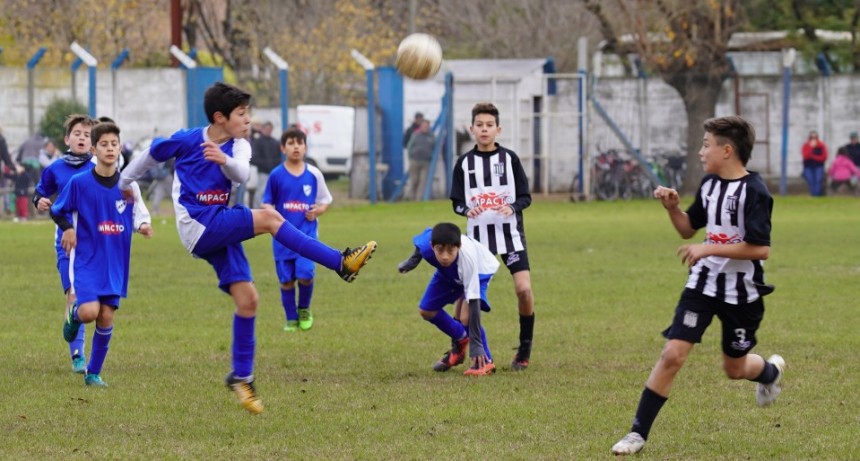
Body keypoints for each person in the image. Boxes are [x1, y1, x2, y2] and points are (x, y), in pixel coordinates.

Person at [119, 81, 377, 414]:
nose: (247, 119)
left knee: (249, 299)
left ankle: (242, 377)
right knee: (270, 218)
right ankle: (340, 262)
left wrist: (223, 158)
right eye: (241, 114)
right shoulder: (186, 140)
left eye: (247, 113)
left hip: (218, 224)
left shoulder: (240, 145)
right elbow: (147, 157)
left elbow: (240, 174)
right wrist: (123, 185)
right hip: (197, 224)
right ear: (219, 116)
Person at [611, 115, 784, 455]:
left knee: (734, 368)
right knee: (672, 354)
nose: (701, 152)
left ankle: (769, 372)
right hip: (702, 285)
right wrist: (673, 209)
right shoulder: (708, 185)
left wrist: (708, 247)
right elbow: (689, 229)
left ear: (728, 150)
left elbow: (760, 248)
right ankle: (637, 433)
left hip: (742, 292)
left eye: (706, 145)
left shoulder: (755, 192)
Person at [52, 122, 153, 387]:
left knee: (106, 315)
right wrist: (68, 229)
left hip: (115, 262)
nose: (110, 148)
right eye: (104, 145)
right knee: (88, 312)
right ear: (94, 149)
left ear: (119, 148)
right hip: (86, 259)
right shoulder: (79, 183)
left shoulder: (128, 186)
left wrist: (143, 225)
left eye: (114, 144)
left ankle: (93, 373)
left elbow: (138, 213)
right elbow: (57, 209)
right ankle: (74, 316)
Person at [450, 102, 536, 371]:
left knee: (523, 290)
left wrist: (511, 207)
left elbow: (525, 197)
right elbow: (456, 202)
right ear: (471, 129)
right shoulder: (464, 164)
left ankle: (524, 348)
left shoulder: (510, 159)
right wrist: (466, 209)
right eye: (480, 125)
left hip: (510, 237)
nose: (484, 130)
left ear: (498, 129)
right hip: (476, 241)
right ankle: (459, 346)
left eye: (489, 125)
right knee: (466, 297)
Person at [33, 114, 98, 373]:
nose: (82, 138)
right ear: (67, 139)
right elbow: (41, 192)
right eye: (78, 134)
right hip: (67, 242)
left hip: (96, 244)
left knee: (97, 301)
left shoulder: (99, 166)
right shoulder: (55, 168)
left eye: (87, 135)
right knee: (73, 294)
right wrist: (40, 200)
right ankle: (78, 356)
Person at [398, 222, 499, 375]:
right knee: (426, 311)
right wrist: (412, 261)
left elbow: (474, 301)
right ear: (432, 246)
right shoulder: (428, 245)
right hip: (448, 272)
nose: (445, 256)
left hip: (480, 270)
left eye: (450, 250)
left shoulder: (468, 260)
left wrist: (476, 345)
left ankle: (486, 361)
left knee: (466, 317)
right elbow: (421, 243)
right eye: (440, 250)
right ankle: (461, 340)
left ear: (458, 246)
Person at [261, 127, 332, 332]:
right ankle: (291, 318)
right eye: (291, 143)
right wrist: (271, 211)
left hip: (307, 236)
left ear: (305, 147)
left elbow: (325, 201)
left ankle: (304, 310)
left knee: (306, 274)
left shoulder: (314, 174)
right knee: (286, 281)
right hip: (282, 238)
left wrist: (317, 211)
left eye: (299, 143)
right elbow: (266, 202)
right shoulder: (276, 175)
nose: (296, 147)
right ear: (283, 148)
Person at [250, 121, 282, 209]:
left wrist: (273, 165)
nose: (268, 131)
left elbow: (279, 158)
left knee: (274, 192)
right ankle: (257, 210)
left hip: (273, 172)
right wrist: (266, 164)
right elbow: (253, 158)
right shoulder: (257, 142)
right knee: (261, 191)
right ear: (263, 129)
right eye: (267, 129)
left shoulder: (275, 142)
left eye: (270, 129)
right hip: (263, 172)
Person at [406, 119, 435, 201]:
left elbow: (435, 148)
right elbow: (409, 146)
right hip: (414, 161)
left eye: (426, 126)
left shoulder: (432, 137)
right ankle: (412, 197)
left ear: (429, 127)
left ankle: (418, 199)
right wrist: (410, 158)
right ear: (421, 127)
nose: (425, 128)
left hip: (426, 162)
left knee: (423, 181)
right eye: (423, 126)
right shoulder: (415, 135)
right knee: (414, 180)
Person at [800, 130, 827, 196]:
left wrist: (813, 156)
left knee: (818, 180)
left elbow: (823, 157)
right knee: (811, 181)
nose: (813, 139)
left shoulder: (821, 145)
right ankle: (813, 194)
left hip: (818, 166)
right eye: (812, 138)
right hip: (808, 166)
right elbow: (805, 156)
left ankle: (817, 195)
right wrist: (811, 148)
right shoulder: (806, 145)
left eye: (815, 138)